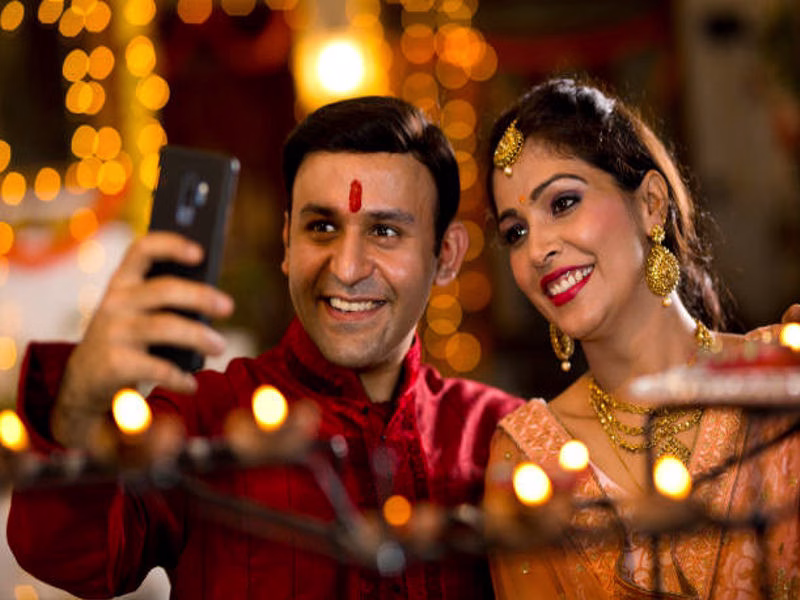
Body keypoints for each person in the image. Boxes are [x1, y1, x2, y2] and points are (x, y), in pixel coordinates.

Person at [6, 96, 524, 599]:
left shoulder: (501, 438)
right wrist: (78, 400)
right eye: (321, 228)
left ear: (448, 255)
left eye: (384, 231)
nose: (345, 268)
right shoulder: (200, 419)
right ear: (286, 243)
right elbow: (71, 558)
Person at [483, 76, 800, 598]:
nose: (537, 249)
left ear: (651, 203)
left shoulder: (777, 382)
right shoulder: (527, 459)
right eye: (515, 232)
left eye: (562, 203)